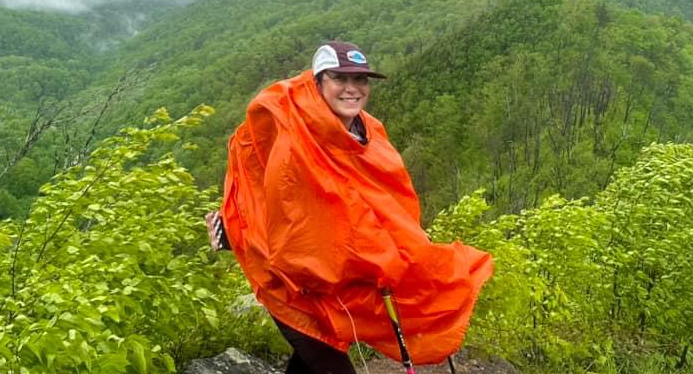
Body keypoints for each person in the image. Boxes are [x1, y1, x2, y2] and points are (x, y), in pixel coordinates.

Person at [207, 41, 493, 374]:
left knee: (314, 356)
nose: (352, 89)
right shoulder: (295, 144)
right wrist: (233, 226)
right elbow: (300, 231)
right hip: (288, 281)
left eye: (361, 80)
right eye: (340, 78)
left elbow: (388, 199)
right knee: (327, 359)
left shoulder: (368, 132)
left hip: (330, 280)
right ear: (317, 82)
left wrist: (402, 250)